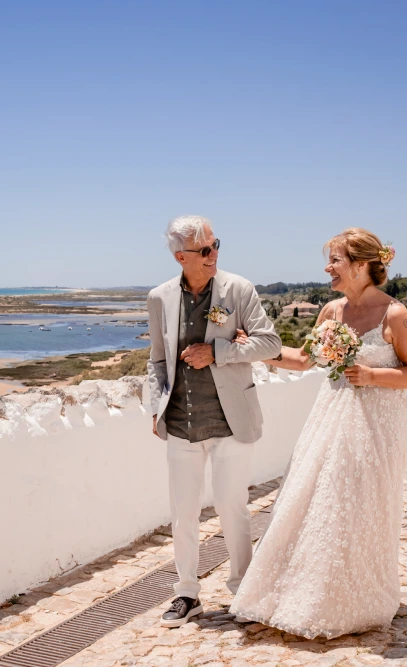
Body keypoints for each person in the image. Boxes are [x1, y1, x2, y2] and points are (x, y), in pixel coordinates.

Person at [229, 228, 407, 638]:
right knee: (319, 499)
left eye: (335, 260)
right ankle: (303, 593)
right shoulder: (331, 312)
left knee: (362, 504)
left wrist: (372, 374)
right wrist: (254, 348)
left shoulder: (395, 315)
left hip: (380, 422)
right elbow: (303, 360)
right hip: (332, 415)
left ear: (360, 265)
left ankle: (356, 597)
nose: (328, 268)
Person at [146, 215, 282, 627]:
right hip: (181, 422)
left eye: (215, 244)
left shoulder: (238, 289)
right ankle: (186, 594)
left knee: (231, 507)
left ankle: (243, 590)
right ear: (180, 256)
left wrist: (217, 352)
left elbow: (270, 342)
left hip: (230, 419)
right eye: (204, 250)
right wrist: (155, 407)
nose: (214, 255)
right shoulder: (159, 298)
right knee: (183, 511)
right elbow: (156, 361)